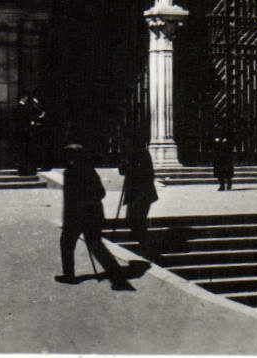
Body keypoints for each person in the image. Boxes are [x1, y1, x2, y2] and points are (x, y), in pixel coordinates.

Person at [56, 144, 133, 290]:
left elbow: (70, 200)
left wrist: (70, 217)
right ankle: (116, 276)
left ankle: (69, 275)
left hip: (76, 216)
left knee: (67, 243)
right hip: (93, 214)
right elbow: (101, 193)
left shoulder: (70, 172)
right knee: (96, 245)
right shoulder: (90, 170)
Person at [118, 141, 158, 260]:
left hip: (142, 194)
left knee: (138, 221)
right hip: (135, 195)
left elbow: (146, 174)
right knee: (134, 221)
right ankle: (142, 246)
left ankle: (145, 248)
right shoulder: (132, 154)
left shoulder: (142, 154)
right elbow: (122, 171)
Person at [13, 93, 46, 176]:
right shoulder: (22, 107)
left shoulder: (25, 107)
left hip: (27, 133)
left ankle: (26, 169)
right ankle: (26, 169)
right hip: (26, 133)